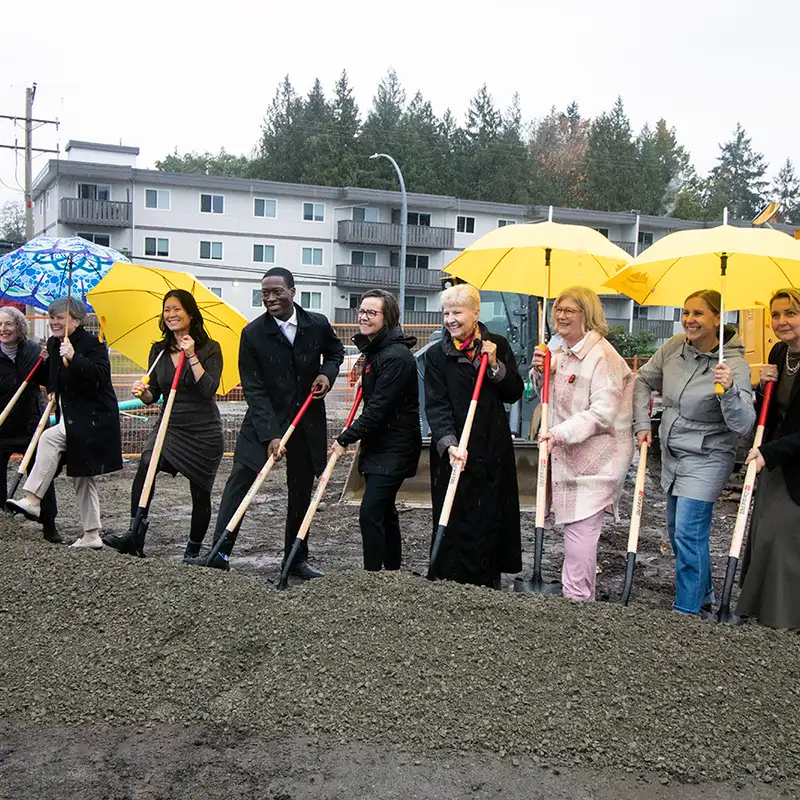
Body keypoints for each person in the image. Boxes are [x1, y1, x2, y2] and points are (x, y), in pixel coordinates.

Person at [189, 267, 344, 575]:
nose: (271, 298)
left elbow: (336, 352)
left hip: (305, 420)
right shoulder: (253, 334)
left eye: (277, 292)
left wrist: (327, 375)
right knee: (240, 482)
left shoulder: (317, 324)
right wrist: (271, 434)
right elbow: (254, 389)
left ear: (292, 292)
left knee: (300, 489)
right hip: (263, 420)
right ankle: (220, 553)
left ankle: (296, 558)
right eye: (265, 294)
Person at [633, 289, 755, 615]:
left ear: (718, 318)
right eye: (686, 312)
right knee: (676, 532)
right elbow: (643, 379)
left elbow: (743, 424)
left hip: (708, 456)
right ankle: (703, 594)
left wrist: (728, 390)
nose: (689, 319)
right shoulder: (673, 348)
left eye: (699, 313)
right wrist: (641, 423)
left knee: (688, 533)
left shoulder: (734, 365)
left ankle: (687, 613)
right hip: (672, 454)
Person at [103, 290, 224, 560]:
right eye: (167, 310)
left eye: (177, 309)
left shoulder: (210, 348)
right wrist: (142, 393)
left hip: (203, 430)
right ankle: (135, 536)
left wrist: (191, 356)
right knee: (146, 463)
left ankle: (192, 551)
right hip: (169, 426)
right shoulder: (157, 350)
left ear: (190, 314)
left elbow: (209, 390)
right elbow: (153, 395)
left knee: (200, 491)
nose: (171, 314)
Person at [530, 287, 633, 601]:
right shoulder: (560, 351)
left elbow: (602, 413)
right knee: (571, 531)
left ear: (586, 315)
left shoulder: (603, 357)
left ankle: (577, 601)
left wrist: (560, 433)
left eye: (569, 310)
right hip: (565, 457)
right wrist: (539, 372)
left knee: (580, 535)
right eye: (558, 309)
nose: (560, 315)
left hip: (596, 461)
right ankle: (574, 596)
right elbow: (546, 398)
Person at [424, 283, 523, 587]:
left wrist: (495, 366)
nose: (450, 319)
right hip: (454, 452)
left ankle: (488, 580)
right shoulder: (437, 354)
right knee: (453, 514)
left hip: (491, 448)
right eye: (446, 313)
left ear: (476, 313)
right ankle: (451, 580)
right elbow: (436, 406)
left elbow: (514, 393)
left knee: (490, 514)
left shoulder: (498, 345)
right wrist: (449, 445)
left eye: (457, 312)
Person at [6, 297, 122, 548]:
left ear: (77, 320)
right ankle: (92, 535)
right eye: (51, 317)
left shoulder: (94, 344)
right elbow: (55, 383)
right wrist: (49, 364)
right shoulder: (54, 343)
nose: (53, 322)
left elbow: (101, 378)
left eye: (59, 317)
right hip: (72, 418)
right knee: (82, 475)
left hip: (95, 418)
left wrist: (74, 357)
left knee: (48, 438)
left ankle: (33, 499)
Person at [332, 289, 421, 572]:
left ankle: (371, 576)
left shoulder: (395, 355)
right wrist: (366, 382)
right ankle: (392, 571)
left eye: (372, 312)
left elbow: (378, 410)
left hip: (395, 445)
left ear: (388, 317)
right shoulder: (376, 351)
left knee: (370, 513)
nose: (364, 317)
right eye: (361, 310)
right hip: (379, 444)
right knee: (385, 511)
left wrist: (344, 439)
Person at [737, 288, 800, 630]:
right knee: (763, 535)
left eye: (790, 313)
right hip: (775, 462)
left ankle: (786, 617)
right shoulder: (779, 353)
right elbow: (772, 412)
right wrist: (763, 387)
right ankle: (764, 610)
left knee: (785, 538)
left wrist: (769, 453)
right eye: (775, 315)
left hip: (787, 461)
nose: (781, 322)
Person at [0, 307, 60, 543]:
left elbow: (47, 381)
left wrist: (47, 363)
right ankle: (3, 520)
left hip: (31, 425)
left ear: (19, 327)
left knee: (43, 474)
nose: (3, 329)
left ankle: (49, 525)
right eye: (0, 325)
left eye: (8, 324)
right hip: (2, 426)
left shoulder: (34, 351)